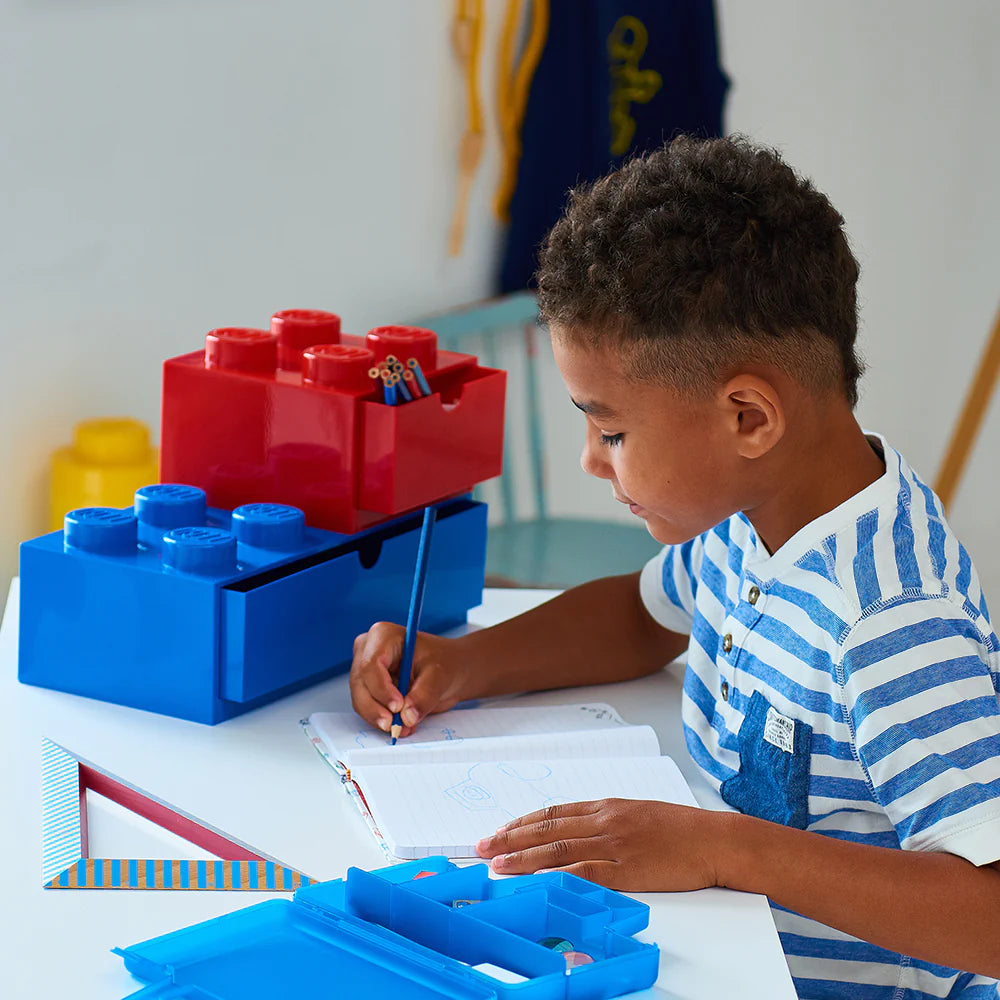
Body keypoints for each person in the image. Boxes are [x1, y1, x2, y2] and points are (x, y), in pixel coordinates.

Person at [350, 136, 1000, 998]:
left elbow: (989, 917)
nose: (591, 460)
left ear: (748, 418)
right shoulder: (754, 517)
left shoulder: (891, 622)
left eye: (612, 431)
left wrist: (719, 849)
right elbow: (639, 616)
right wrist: (465, 663)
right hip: (719, 952)